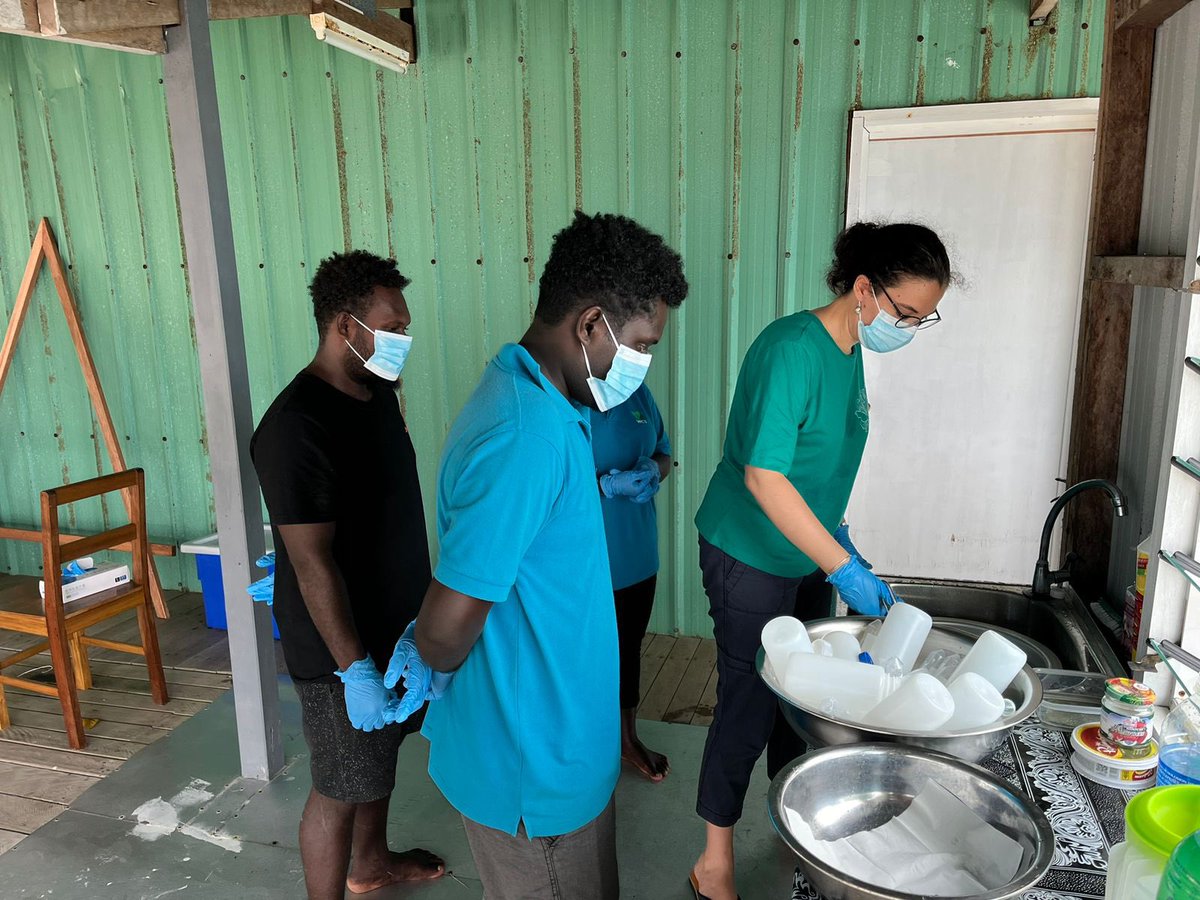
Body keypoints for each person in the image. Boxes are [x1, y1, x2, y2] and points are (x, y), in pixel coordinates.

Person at [400, 211, 687, 899]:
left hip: (563, 743)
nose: (643, 364)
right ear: (590, 326)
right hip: (534, 766)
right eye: (642, 344)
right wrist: (428, 655)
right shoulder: (525, 436)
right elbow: (449, 622)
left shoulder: (550, 403)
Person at [688, 222, 951, 900]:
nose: (911, 330)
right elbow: (765, 477)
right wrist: (843, 567)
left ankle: (789, 817)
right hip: (749, 552)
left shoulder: (850, 349)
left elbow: (820, 465)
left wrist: (841, 542)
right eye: (907, 314)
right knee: (748, 699)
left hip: (808, 551)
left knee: (800, 699)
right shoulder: (791, 350)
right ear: (865, 290)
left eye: (924, 320)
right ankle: (713, 857)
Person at [249, 251, 445, 900]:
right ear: (344, 326)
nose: (403, 340)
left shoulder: (377, 394)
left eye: (406, 326)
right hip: (338, 646)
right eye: (392, 327)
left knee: (377, 760)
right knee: (337, 785)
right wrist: (354, 668)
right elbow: (311, 562)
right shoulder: (296, 425)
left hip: (395, 625)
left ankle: (371, 863)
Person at [591, 384, 673, 781]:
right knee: (581, 656)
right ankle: (583, 746)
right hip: (582, 564)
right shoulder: (562, 395)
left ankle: (626, 739)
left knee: (628, 649)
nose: (640, 355)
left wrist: (652, 470)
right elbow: (542, 481)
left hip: (637, 555)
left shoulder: (636, 393)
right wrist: (602, 486)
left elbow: (664, 451)